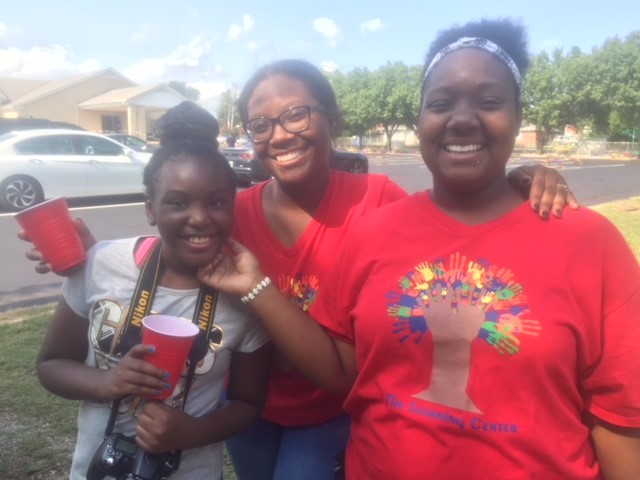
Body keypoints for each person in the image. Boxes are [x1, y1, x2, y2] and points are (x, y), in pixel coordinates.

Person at [23, 73, 577, 480]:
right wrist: (94, 258)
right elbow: (178, 234)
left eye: (297, 114)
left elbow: (449, 233)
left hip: (332, 408)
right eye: (261, 124)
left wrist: (517, 180)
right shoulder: (232, 209)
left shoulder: (380, 202)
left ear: (331, 120)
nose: (280, 134)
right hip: (249, 408)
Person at [198, 20, 640, 480]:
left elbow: (621, 414)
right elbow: (339, 366)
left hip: (322, 421)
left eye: (489, 102)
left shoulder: (588, 242)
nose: (462, 119)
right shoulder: (373, 232)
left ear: (518, 112)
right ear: (421, 119)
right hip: (274, 416)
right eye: (442, 103)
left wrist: (524, 176)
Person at [35, 108, 272, 480]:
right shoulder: (101, 264)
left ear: (232, 204)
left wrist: (191, 432)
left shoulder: (244, 295)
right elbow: (50, 366)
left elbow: (248, 403)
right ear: (150, 208)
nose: (199, 218)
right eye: (178, 202)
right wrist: (107, 383)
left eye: (216, 202)